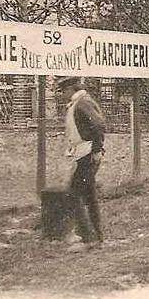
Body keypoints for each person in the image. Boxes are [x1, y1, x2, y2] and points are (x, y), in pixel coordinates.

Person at [57, 76, 107, 245]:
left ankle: (87, 236)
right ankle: (96, 236)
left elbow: (98, 125)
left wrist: (97, 149)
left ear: (72, 89)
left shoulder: (82, 103)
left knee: (74, 194)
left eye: (64, 91)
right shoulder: (77, 104)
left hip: (88, 154)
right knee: (89, 195)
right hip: (83, 154)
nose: (63, 94)